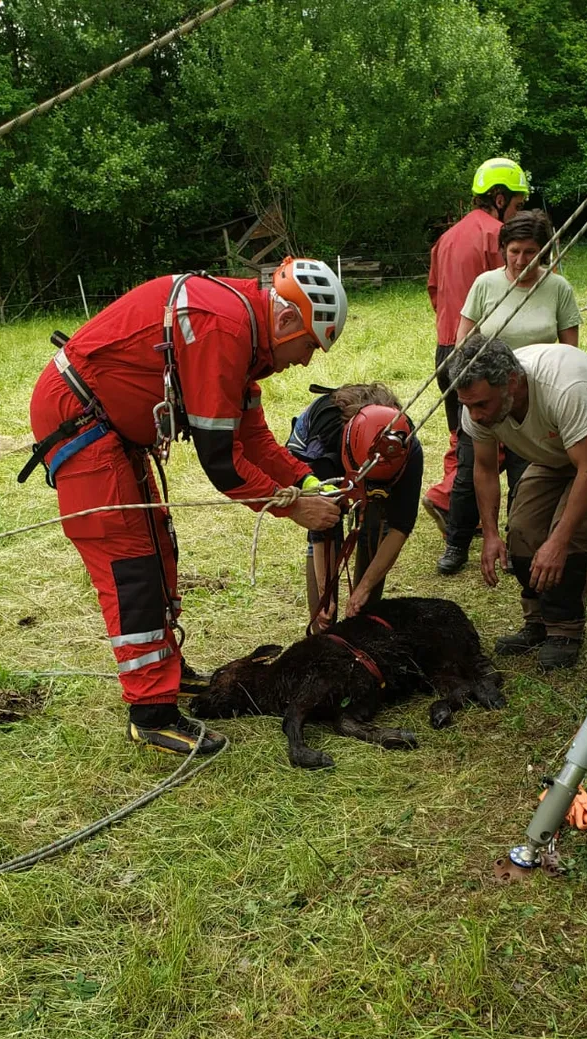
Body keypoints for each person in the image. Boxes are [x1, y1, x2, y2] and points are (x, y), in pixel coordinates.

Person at [26, 258, 347, 756]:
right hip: (82, 424)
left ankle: (167, 675)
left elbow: (253, 439)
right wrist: (295, 509)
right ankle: (151, 713)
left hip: (109, 428)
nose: (306, 362)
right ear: (286, 321)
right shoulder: (224, 327)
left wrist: (306, 482)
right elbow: (223, 464)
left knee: (156, 545)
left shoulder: (242, 330)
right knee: (129, 564)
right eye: (309, 345)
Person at [450, 333, 587, 670]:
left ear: (511, 382)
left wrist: (559, 540)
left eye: (482, 404)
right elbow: (484, 469)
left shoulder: (564, 387)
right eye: (468, 405)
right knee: (523, 531)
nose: (476, 416)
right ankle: (538, 622)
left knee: (568, 537)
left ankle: (566, 631)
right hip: (553, 448)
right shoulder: (476, 404)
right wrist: (491, 534)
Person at [437, 209, 580, 577]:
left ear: (544, 252)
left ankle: (520, 545)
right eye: (514, 251)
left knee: (526, 474)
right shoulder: (486, 285)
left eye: (530, 252)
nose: (520, 260)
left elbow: (571, 352)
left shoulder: (558, 288)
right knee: (471, 470)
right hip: (485, 393)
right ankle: (457, 542)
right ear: (503, 250)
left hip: (530, 399)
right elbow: (462, 342)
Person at [423, 157, 530, 537]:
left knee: (462, 434)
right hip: (482, 356)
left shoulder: (446, 238)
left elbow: (435, 292)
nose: (518, 214)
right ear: (500, 199)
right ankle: (446, 496)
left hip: (446, 350)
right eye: (517, 205)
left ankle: (453, 510)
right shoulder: (498, 238)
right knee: (493, 436)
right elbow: (512, 288)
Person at [286, 384, 421, 627]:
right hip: (321, 447)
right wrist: (324, 591)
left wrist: (365, 588)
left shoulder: (405, 445)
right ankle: (322, 635)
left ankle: (363, 623)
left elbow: (400, 525)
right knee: (323, 608)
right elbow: (321, 527)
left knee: (375, 523)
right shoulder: (321, 450)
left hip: (365, 461)